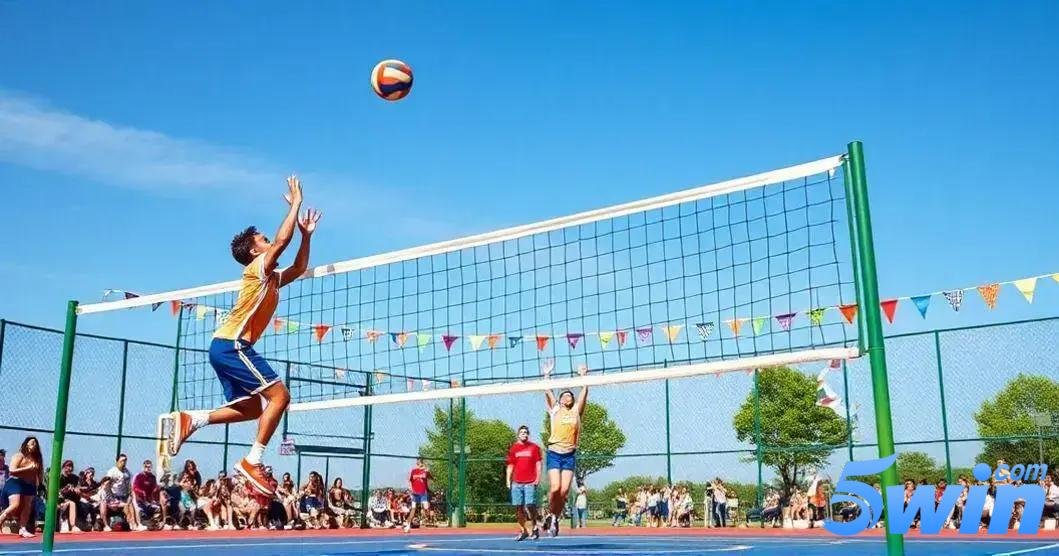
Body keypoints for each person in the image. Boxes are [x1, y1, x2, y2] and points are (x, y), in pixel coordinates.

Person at [164, 175, 322, 495]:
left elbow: (298, 267)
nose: (268, 241)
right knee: (280, 397)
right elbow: (280, 242)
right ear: (254, 250)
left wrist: (306, 236)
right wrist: (295, 206)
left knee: (252, 409)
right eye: (262, 239)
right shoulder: (255, 269)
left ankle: (191, 420)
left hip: (225, 346)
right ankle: (253, 460)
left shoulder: (270, 279)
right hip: (233, 344)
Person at [541, 363, 589, 537]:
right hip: (554, 452)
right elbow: (547, 391)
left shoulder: (576, 411)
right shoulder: (555, 410)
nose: (567, 397)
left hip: (569, 454)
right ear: (560, 399)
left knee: (563, 491)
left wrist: (584, 377)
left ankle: (553, 518)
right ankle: (550, 512)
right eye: (564, 395)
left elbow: (584, 393)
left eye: (570, 395)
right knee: (555, 488)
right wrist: (546, 375)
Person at [0, 437, 43, 538]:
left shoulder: (36, 459)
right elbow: (11, 470)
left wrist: (37, 483)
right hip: (15, 482)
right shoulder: (19, 456)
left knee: (27, 506)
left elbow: (38, 474)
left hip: (30, 484)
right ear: (26, 444)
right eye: (32, 443)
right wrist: (28, 468)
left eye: (36, 444)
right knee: (15, 505)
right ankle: (1, 519)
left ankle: (23, 529)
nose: (34, 445)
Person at [505, 425, 542, 541]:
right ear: (518, 434)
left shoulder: (534, 448)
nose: (524, 434)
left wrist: (538, 478)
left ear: (528, 434)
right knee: (518, 507)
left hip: (530, 482)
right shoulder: (513, 449)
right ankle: (523, 530)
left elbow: (538, 464)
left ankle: (535, 527)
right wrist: (508, 480)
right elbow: (510, 465)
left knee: (530, 505)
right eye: (522, 432)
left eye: (526, 432)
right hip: (516, 482)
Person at [405, 460, 431, 533]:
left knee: (426, 507)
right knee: (413, 509)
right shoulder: (413, 471)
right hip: (415, 493)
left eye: (421, 463)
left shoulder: (425, 471)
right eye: (418, 463)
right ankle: (407, 525)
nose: (419, 464)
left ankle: (426, 517)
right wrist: (410, 490)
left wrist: (427, 471)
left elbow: (429, 477)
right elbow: (409, 480)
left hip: (423, 493)